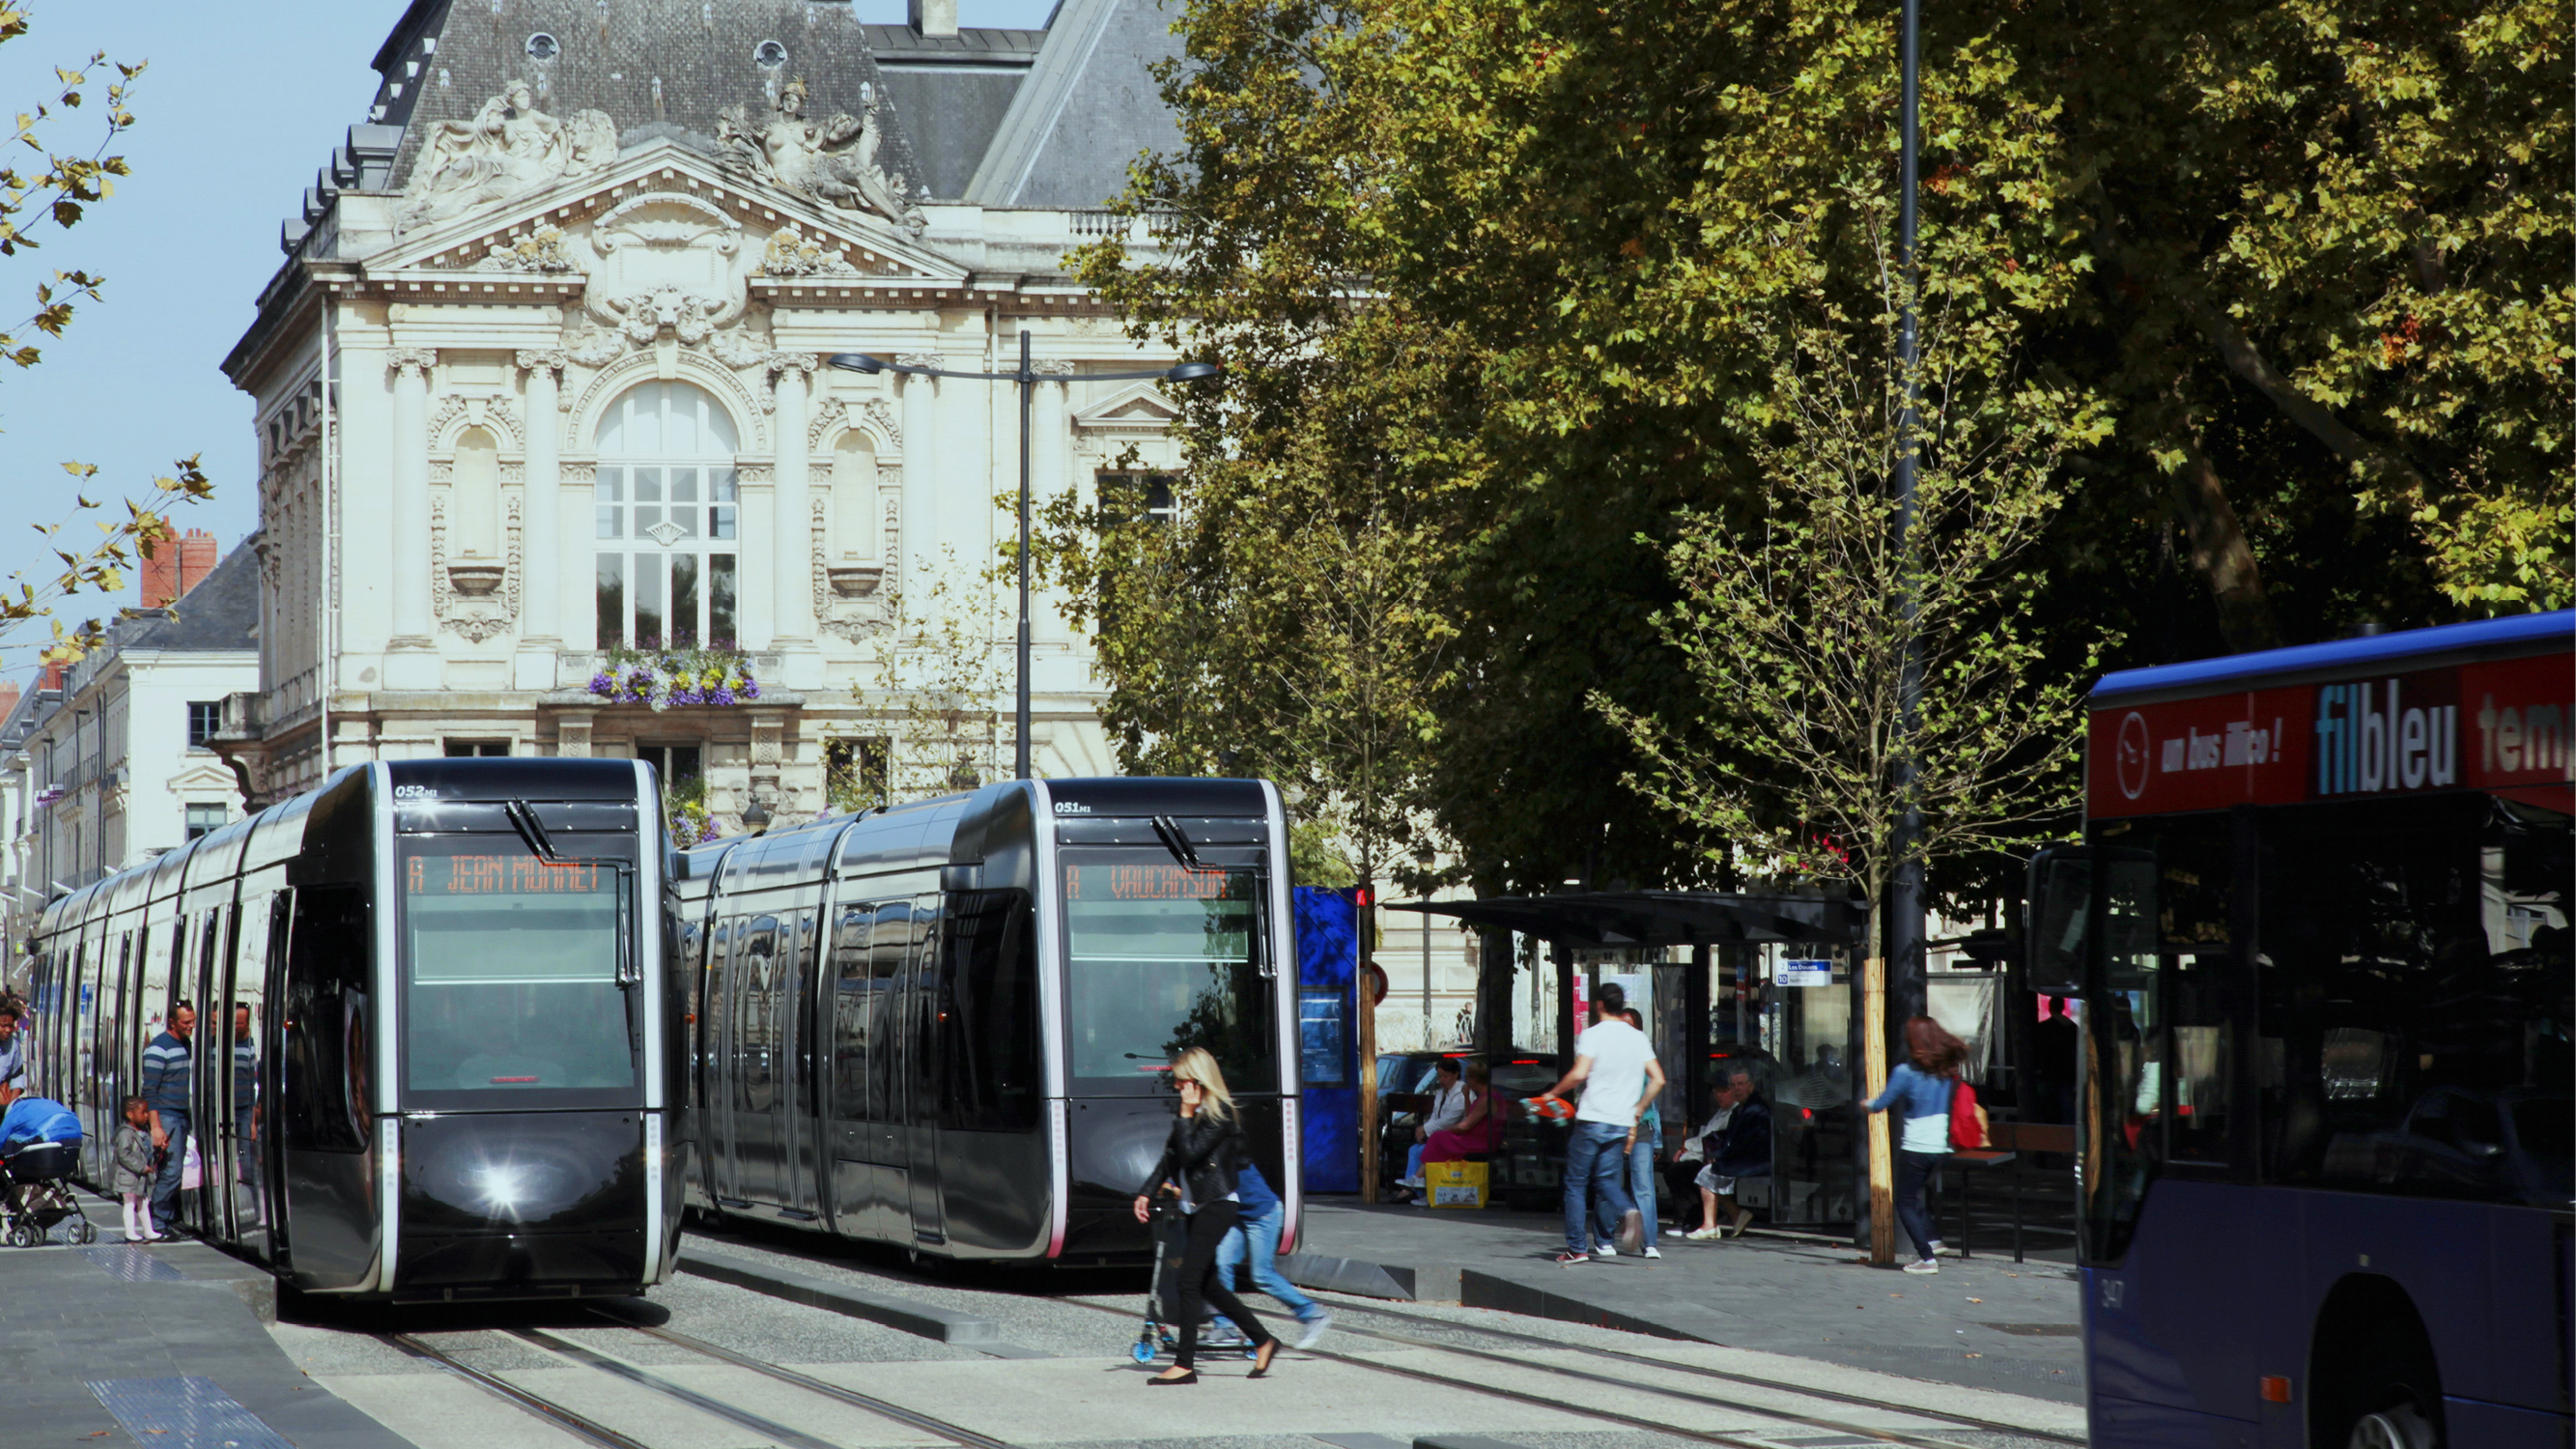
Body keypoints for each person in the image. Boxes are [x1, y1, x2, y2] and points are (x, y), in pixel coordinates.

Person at [1131, 1046, 1280, 1384]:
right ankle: (1263, 1340)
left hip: (1219, 1204)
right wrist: (1146, 1192)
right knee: (1209, 1285)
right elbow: (1170, 1159)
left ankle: (1184, 1364)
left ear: (1198, 1081)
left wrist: (1185, 1113)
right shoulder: (1193, 1115)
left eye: (1183, 1082)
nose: (1177, 1088)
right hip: (1199, 1207)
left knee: (1187, 1279)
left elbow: (1192, 1152)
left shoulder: (1220, 1115)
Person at [1539, 981, 1663, 1265]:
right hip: (1621, 1122)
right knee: (1606, 1180)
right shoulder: (1637, 1038)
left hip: (1593, 1118)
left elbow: (1579, 1073)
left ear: (1598, 1005)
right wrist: (1639, 1108)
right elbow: (1658, 1078)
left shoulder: (1592, 1034)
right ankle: (1628, 1210)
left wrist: (1552, 1093)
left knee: (1575, 1183)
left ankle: (1577, 1248)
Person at [1862, 1015, 1966, 1274]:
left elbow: (1880, 1104)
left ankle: (1927, 1257)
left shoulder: (1905, 1072)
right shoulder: (1946, 1072)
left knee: (1905, 1201)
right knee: (1917, 1194)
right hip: (1940, 1148)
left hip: (1916, 1147)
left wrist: (1865, 1104)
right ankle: (1933, 1238)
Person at [1213, 1158, 1332, 1349]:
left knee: (1262, 1275)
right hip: (1241, 1215)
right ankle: (1225, 1326)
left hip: (1263, 1215)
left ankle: (1312, 1314)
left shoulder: (1224, 1150)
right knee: (1221, 1262)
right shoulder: (1207, 1149)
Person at [1591, 1007, 1664, 1258]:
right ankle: (1603, 1237)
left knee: (1643, 1184)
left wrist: (1658, 1139)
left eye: (1630, 1026)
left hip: (1641, 1125)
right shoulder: (1606, 1056)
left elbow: (1653, 1100)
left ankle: (1649, 1242)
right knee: (1610, 1180)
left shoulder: (1645, 1056)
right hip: (1612, 1125)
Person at [1679, 1067, 1772, 1239]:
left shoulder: (1755, 1109)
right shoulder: (1742, 1109)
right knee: (1708, 1170)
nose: (1737, 1088)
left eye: (1741, 1084)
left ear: (1750, 1086)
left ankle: (1710, 1225)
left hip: (1755, 1161)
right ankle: (1736, 1214)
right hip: (1745, 1158)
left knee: (1707, 1172)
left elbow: (1742, 1144)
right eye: (1733, 1085)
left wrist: (1719, 1157)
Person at [140, 1002, 196, 1236]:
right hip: (166, 1116)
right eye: (186, 1022)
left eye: (193, 1021)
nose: (192, 1026)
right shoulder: (158, 1049)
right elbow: (149, 1091)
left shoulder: (185, 1044)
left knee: (175, 1172)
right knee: (171, 1172)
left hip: (181, 1115)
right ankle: (158, 1221)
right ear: (172, 1022)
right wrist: (156, 1126)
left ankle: (166, 1218)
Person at [1398, 1058, 1470, 1196]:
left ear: (1455, 1074)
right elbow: (1435, 1117)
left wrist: (1426, 1128)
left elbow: (1449, 1120)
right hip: (1439, 1135)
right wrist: (1423, 1130)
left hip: (1454, 1137)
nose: (1441, 1080)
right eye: (1439, 1076)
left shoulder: (1461, 1093)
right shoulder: (1441, 1093)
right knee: (1414, 1149)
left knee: (1422, 1151)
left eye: (1445, 1076)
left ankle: (1413, 1191)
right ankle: (1411, 1188)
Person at [1422, 1060, 1499, 1164]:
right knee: (1436, 1139)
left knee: (1438, 1137)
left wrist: (1446, 1130)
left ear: (1475, 1079)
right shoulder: (1481, 1097)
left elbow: (1466, 1125)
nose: (1466, 1081)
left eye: (1468, 1077)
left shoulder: (1486, 1099)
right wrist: (1466, 1098)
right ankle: (1419, 1176)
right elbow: (1469, 1116)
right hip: (1474, 1137)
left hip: (1481, 1140)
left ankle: (1420, 1177)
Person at [109, 1096, 160, 1243]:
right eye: (143, 1112)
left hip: (139, 1177)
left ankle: (148, 1231)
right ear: (130, 1114)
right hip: (128, 1176)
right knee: (130, 1204)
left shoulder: (142, 1132)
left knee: (143, 1203)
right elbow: (123, 1154)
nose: (147, 1116)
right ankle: (130, 1233)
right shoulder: (126, 1133)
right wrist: (142, 1167)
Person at [0, 1002, 29, 1102]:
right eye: (3, 1026)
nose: (8, 1030)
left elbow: (16, 1075)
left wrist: (12, 1105)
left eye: (11, 1026)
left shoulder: (13, 1045)